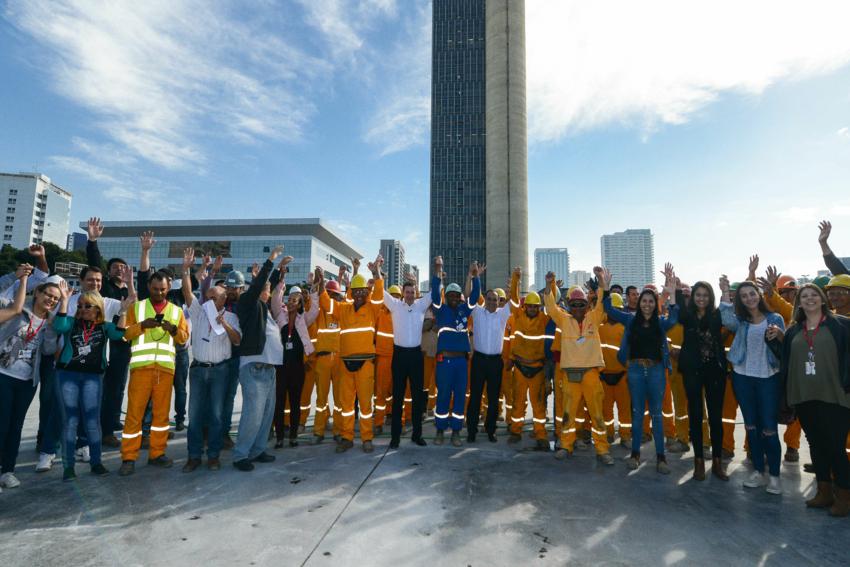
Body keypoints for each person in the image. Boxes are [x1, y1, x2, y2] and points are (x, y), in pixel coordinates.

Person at [780, 283, 850, 516]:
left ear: (822, 299)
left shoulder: (841, 325)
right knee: (816, 445)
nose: (809, 299)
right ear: (799, 302)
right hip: (804, 395)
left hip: (836, 395)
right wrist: (774, 341)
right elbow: (787, 361)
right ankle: (824, 491)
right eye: (804, 296)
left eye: (814, 295)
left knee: (835, 447)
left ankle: (844, 496)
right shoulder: (793, 331)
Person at [601, 265, 679, 473]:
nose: (646, 304)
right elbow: (609, 310)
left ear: (655, 304)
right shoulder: (630, 320)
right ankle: (635, 454)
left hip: (656, 372)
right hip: (635, 371)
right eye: (643, 301)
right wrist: (606, 289)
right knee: (636, 414)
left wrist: (671, 296)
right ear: (638, 303)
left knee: (657, 414)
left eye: (650, 301)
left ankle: (661, 458)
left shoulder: (660, 323)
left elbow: (673, 318)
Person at [53, 283, 131, 480]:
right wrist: (64, 301)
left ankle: (96, 463)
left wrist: (123, 311)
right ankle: (68, 467)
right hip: (68, 375)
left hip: (93, 377)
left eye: (87, 306)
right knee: (70, 421)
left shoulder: (104, 327)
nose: (82, 309)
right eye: (79, 305)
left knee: (92, 421)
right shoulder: (71, 323)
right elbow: (58, 326)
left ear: (97, 308)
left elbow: (120, 334)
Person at [118, 272, 190, 476]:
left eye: (163, 289)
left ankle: (157, 453)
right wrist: (142, 326)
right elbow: (125, 335)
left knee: (160, 416)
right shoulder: (138, 307)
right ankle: (128, 457)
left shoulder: (176, 311)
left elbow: (183, 339)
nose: (159, 293)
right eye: (156, 289)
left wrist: (173, 330)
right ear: (149, 286)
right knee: (134, 415)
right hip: (141, 369)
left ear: (168, 289)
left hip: (165, 370)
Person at [719, 276, 785, 494]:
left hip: (768, 378)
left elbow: (783, 347)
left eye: (752, 294)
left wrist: (781, 335)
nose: (749, 298)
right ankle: (758, 471)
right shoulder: (740, 320)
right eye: (744, 295)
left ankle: (774, 475)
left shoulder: (775, 318)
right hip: (742, 377)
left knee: (769, 427)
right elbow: (726, 318)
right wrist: (726, 291)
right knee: (751, 426)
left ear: (759, 295)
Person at [179, 249, 241, 473]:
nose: (210, 300)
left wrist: (224, 323)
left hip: (219, 371)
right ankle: (193, 456)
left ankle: (213, 456)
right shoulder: (199, 312)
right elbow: (187, 293)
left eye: (215, 298)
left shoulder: (232, 316)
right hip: (198, 370)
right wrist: (186, 269)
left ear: (224, 299)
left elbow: (236, 341)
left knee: (215, 415)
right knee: (194, 415)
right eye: (209, 297)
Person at [544, 269, 614, 466]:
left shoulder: (594, 317)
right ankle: (566, 445)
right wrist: (550, 285)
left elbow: (602, 303)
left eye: (581, 304)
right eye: (573, 304)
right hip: (570, 375)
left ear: (586, 305)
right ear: (568, 305)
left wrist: (603, 284)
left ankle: (602, 450)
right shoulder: (564, 320)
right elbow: (550, 308)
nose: (577, 308)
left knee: (596, 414)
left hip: (591, 373)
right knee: (569, 414)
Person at [0, 266, 59, 491]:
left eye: (55, 299)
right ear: (38, 292)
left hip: (26, 381)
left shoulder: (49, 323)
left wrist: (52, 328)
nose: (51, 300)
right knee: (2, 423)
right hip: (3, 374)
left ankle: (8, 470)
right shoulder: (15, 308)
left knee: (16, 426)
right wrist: (15, 277)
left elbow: (48, 350)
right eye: (48, 295)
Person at [322, 254, 385, 453]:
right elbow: (327, 305)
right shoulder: (343, 309)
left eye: (362, 292)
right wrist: (319, 285)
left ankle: (367, 438)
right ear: (351, 291)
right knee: (347, 405)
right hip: (345, 363)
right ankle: (347, 437)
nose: (359, 295)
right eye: (356, 291)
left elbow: (380, 295)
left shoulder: (373, 309)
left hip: (365, 363)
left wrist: (376, 272)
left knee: (366, 405)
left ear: (367, 293)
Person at [232, 246, 284, 470]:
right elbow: (256, 287)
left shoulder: (264, 310)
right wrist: (270, 261)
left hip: (269, 369)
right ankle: (240, 455)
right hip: (254, 368)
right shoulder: (247, 304)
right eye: (267, 287)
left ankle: (258, 449)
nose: (268, 290)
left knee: (265, 414)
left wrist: (281, 272)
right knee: (253, 414)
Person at [84, 218, 132, 448]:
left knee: (117, 387)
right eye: (114, 267)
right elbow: (94, 265)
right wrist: (92, 241)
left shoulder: (131, 291)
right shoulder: (105, 289)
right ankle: (93, 430)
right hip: (102, 342)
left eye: (122, 267)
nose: (119, 270)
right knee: (98, 388)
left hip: (123, 343)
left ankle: (110, 425)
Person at [675, 280, 728, 481]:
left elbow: (728, 313)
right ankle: (698, 462)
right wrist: (675, 291)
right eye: (698, 295)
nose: (701, 298)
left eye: (705, 295)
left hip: (715, 371)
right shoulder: (687, 316)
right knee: (695, 416)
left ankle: (717, 463)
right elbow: (678, 310)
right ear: (693, 297)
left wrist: (725, 292)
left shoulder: (716, 315)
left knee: (716, 418)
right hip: (692, 371)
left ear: (710, 297)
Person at [430, 258, 481, 447]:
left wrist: (475, 276)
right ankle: (440, 430)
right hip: (444, 362)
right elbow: (435, 294)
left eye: (456, 295)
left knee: (460, 396)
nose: (453, 298)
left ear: (459, 297)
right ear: (446, 296)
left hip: (461, 362)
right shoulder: (441, 311)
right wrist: (438, 270)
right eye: (450, 295)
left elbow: (475, 295)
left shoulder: (464, 311)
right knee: (443, 395)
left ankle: (456, 432)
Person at [270, 259, 319, 449]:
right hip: (281, 366)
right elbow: (275, 298)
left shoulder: (302, 320)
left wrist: (313, 290)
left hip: (297, 367)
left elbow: (314, 310)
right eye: (289, 299)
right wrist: (282, 279)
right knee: (280, 402)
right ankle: (280, 436)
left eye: (294, 300)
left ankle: (293, 437)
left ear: (299, 304)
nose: (290, 302)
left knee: (296, 402)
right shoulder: (279, 315)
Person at [383, 268, 433, 448]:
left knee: (418, 397)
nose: (410, 295)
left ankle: (416, 435)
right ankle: (395, 436)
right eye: (407, 292)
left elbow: (435, 291)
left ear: (416, 293)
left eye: (413, 292)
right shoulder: (395, 305)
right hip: (400, 356)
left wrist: (437, 271)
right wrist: (377, 274)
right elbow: (381, 293)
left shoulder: (420, 305)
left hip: (415, 356)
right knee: (398, 397)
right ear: (403, 294)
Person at [506, 267, 551, 451]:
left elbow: (552, 302)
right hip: (520, 367)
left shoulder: (544, 319)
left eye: (535, 306)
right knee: (518, 402)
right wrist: (517, 277)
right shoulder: (518, 316)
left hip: (538, 368)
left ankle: (541, 435)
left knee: (539, 406)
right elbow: (514, 299)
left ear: (539, 307)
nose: (532, 308)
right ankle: (516, 431)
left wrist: (550, 284)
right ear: (525, 307)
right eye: (530, 306)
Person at [467, 278, 511, 444]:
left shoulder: (502, 314)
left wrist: (513, 284)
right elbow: (468, 295)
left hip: (495, 362)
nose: (493, 302)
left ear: (499, 302)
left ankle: (490, 429)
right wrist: (473, 277)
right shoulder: (477, 312)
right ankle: (472, 431)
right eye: (490, 299)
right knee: (475, 397)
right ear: (484, 299)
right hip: (478, 360)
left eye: (496, 300)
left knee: (493, 399)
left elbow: (512, 302)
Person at [312, 275, 346, 443]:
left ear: (339, 296)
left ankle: (338, 431)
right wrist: (318, 285)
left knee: (339, 399)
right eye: (330, 294)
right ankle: (318, 431)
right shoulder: (319, 311)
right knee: (321, 398)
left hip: (339, 359)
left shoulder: (342, 309)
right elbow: (315, 304)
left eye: (335, 295)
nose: (332, 297)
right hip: (323, 358)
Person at [599, 292, 632, 448]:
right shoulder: (599, 328)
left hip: (622, 376)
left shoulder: (626, 329)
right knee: (606, 410)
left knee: (624, 409)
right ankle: (609, 433)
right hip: (604, 375)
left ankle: (625, 436)